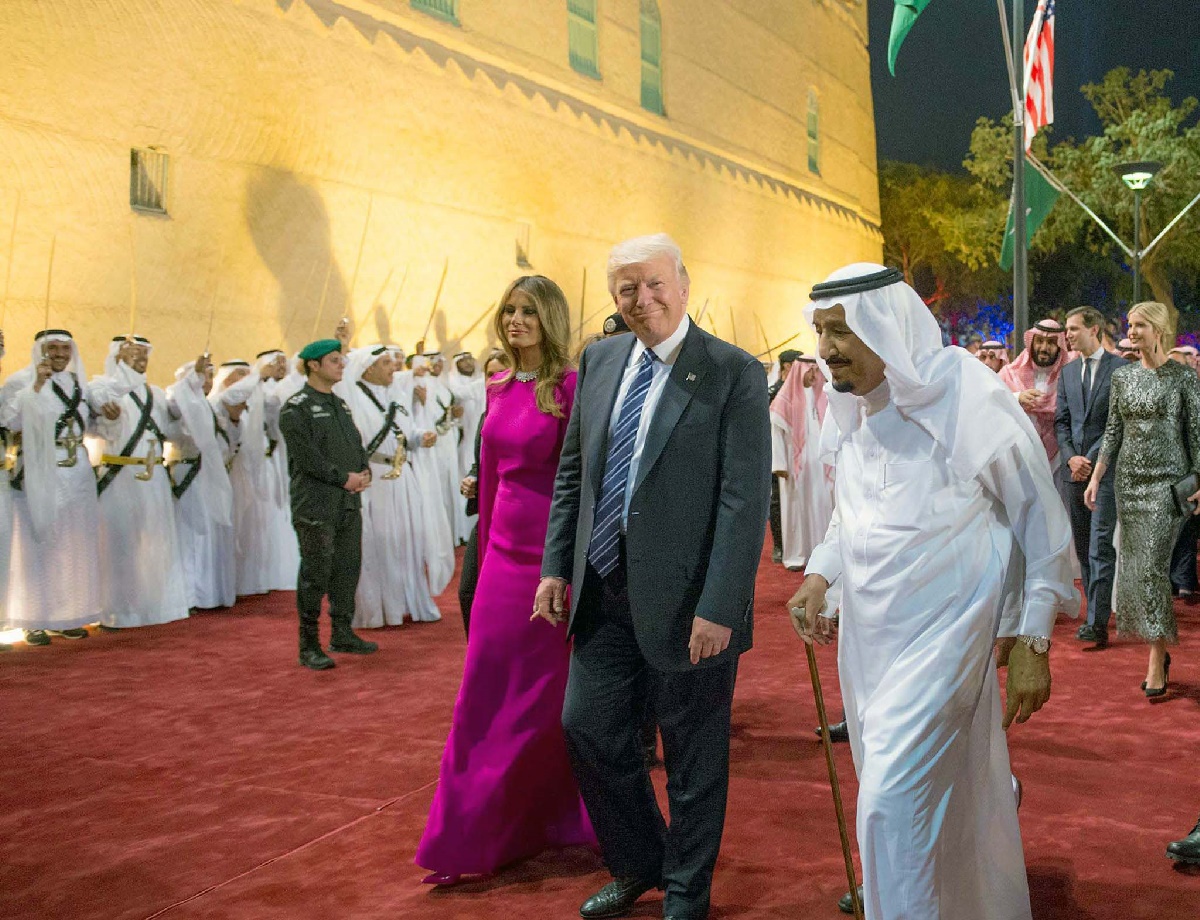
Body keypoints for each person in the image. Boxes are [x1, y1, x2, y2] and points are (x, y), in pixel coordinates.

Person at [788, 264, 1076, 920]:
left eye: (842, 331)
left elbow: (1040, 516)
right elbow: (849, 511)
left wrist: (1035, 635)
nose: (827, 349)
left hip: (948, 638)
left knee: (890, 803)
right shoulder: (849, 402)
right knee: (910, 802)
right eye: (820, 331)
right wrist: (820, 574)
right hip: (869, 643)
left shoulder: (964, 394)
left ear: (885, 328)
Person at [537, 233, 771, 920]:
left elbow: (743, 498)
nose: (642, 300)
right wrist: (557, 565)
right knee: (588, 729)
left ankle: (686, 893)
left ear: (684, 282)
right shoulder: (601, 358)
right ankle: (640, 861)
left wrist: (721, 604)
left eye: (654, 284)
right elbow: (575, 475)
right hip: (604, 592)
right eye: (627, 289)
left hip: (693, 604)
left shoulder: (732, 371)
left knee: (694, 760)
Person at [417, 275, 593, 884]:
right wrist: (479, 559)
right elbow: (490, 475)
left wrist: (568, 566)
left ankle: (550, 819)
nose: (516, 321)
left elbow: (581, 485)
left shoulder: (572, 387)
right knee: (483, 695)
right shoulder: (494, 385)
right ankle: (469, 834)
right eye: (510, 311)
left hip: (551, 563)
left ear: (551, 319)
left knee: (544, 702)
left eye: (529, 312)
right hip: (498, 561)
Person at [1085, 301, 1200, 698]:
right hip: (1129, 482)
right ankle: (1159, 651)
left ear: (1159, 330)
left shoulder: (1184, 379)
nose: (1131, 332)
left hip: (1169, 485)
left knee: (1151, 567)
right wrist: (1098, 476)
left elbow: (1197, 432)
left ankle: (1156, 657)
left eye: (1139, 326)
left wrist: (1198, 478)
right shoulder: (1124, 378)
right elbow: (1113, 431)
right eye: (1130, 325)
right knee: (1137, 569)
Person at [0, 330, 113, 644]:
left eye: (65, 348)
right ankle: (31, 619)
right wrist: (36, 387)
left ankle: (63, 615)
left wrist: (105, 414)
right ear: (40, 350)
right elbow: (10, 423)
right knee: (37, 541)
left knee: (69, 544)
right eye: (53, 348)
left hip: (76, 468)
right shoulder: (20, 380)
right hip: (39, 468)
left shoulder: (78, 384)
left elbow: (87, 425)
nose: (60, 354)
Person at [278, 339, 377, 670]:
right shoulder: (297, 407)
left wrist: (364, 470)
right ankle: (308, 645)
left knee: (347, 568)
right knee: (315, 573)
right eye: (335, 360)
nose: (342, 364)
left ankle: (342, 632)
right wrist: (342, 478)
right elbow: (307, 459)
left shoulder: (340, 405)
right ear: (313, 366)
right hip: (316, 504)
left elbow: (355, 442)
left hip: (348, 500)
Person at [338, 344, 441, 627]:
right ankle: (380, 609)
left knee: (407, 539)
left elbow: (404, 433)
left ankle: (406, 603)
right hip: (376, 479)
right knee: (380, 542)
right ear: (369, 368)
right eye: (385, 363)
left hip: (402, 478)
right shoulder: (354, 396)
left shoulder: (395, 395)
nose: (393, 367)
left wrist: (420, 437)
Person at [91, 335, 190, 629]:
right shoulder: (100, 386)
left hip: (154, 476)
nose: (140, 358)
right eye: (132, 353)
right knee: (120, 543)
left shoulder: (157, 394)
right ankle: (118, 612)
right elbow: (98, 409)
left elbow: (172, 431)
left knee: (155, 542)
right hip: (120, 477)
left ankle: (156, 607)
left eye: (144, 353)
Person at [1056, 307, 1124, 648]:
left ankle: (1097, 623)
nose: (1067, 335)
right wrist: (1071, 458)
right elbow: (1062, 422)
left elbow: (1118, 422)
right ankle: (1094, 614)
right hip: (1074, 473)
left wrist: (1091, 459)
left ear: (1093, 329)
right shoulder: (1067, 373)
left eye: (1072, 329)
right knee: (1083, 548)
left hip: (1106, 473)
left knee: (1100, 547)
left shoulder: (1121, 369)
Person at [167, 355, 239, 610]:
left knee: (213, 533)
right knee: (193, 535)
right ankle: (191, 596)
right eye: (201, 376)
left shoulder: (210, 406)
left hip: (212, 476)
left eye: (209, 376)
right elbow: (176, 417)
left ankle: (211, 594)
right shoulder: (176, 401)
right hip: (191, 475)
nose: (206, 381)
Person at [457, 349, 510, 637]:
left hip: (518, 519)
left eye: (501, 371)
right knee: (468, 591)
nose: (494, 379)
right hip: (487, 518)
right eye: (489, 374)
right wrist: (472, 478)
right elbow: (480, 463)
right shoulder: (485, 414)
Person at [770, 353, 831, 571]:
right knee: (796, 510)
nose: (814, 375)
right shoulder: (785, 398)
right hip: (795, 468)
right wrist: (779, 465)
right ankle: (797, 555)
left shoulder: (823, 395)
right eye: (810, 370)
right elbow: (776, 430)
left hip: (820, 465)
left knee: (821, 505)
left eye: (817, 370)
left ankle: (821, 551)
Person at [999, 318, 1070, 474]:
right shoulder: (1009, 374)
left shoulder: (1070, 377)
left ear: (1060, 346)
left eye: (1051, 342)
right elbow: (991, 403)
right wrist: (1017, 398)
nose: (1044, 348)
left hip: (1058, 459)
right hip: (1018, 458)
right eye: (1039, 341)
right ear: (1031, 342)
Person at [767, 348, 801, 564]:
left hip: (795, 454)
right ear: (788, 367)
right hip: (775, 452)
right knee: (777, 500)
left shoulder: (800, 391)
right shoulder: (774, 392)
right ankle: (779, 545)